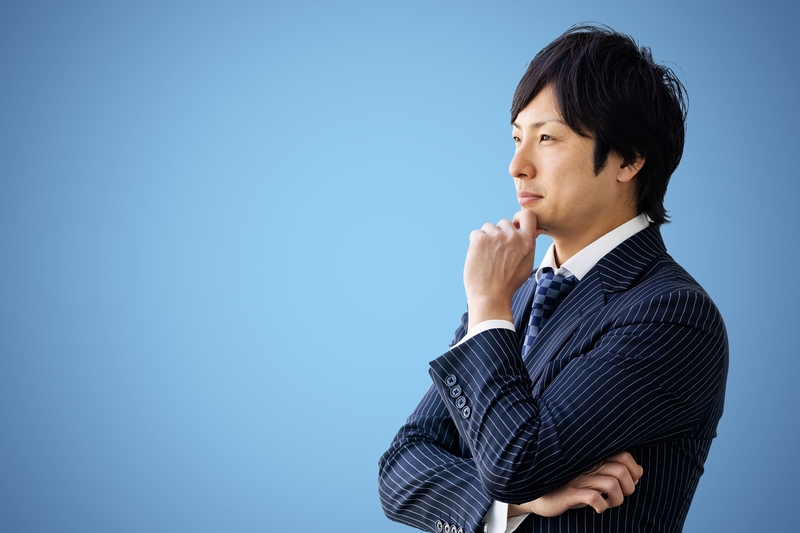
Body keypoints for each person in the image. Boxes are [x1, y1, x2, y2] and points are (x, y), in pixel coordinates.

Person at [378, 24, 728, 533]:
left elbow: (518, 463)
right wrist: (520, 503)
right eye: (517, 138)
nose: (517, 166)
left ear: (629, 158)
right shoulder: (516, 294)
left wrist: (487, 302)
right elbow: (400, 467)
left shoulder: (672, 313)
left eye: (546, 138)